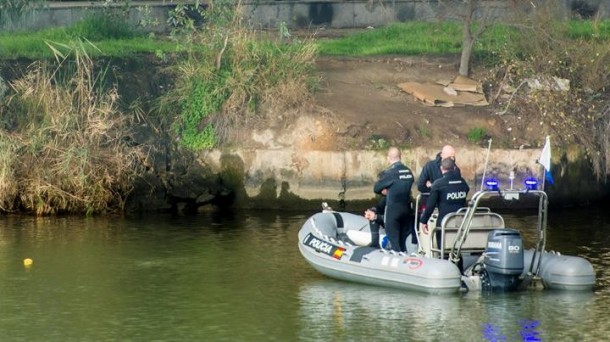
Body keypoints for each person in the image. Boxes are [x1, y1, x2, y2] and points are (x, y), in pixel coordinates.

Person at [364, 147, 414, 252]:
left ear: (388, 158)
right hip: (407, 209)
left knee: (395, 242)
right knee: (402, 240)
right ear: (400, 157)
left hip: (393, 210)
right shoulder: (409, 172)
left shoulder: (390, 173)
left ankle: (397, 262)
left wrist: (387, 190)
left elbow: (376, 188)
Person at [419, 157, 469, 249]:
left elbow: (430, 205)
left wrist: (424, 221)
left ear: (441, 169)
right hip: (460, 222)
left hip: (444, 222)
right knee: (457, 248)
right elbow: (466, 191)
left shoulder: (438, 184)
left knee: (442, 248)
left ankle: (445, 261)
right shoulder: (463, 182)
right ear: (454, 168)